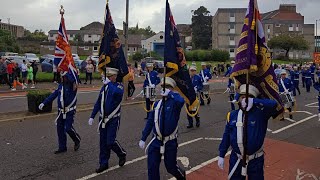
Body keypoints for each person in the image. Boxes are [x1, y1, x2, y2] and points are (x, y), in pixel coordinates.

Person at [218, 84, 277, 180]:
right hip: (236, 158)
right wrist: (221, 154)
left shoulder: (261, 113)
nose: (245, 100)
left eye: (249, 98)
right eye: (243, 97)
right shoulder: (232, 115)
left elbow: (274, 104)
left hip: (255, 160)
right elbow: (227, 136)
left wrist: (254, 101)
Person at [139, 77, 186, 180]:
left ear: (171, 89)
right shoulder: (157, 104)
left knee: (171, 167)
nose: (164, 89)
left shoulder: (175, 102)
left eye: (167, 87)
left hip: (170, 142)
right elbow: (150, 122)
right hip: (156, 140)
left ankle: (181, 176)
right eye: (163, 87)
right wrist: (143, 137)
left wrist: (170, 94)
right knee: (152, 167)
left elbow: (181, 101)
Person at [88, 67, 127, 173]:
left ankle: (121, 153)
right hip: (103, 119)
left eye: (110, 76)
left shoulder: (119, 86)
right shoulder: (105, 87)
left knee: (110, 142)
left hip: (113, 119)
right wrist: (92, 116)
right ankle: (103, 163)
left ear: (114, 76)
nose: (109, 78)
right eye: (108, 76)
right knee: (103, 143)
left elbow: (116, 94)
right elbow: (98, 102)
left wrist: (108, 84)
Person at [38, 70, 81, 154]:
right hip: (61, 111)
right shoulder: (61, 86)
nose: (61, 77)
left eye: (63, 76)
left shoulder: (73, 85)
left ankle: (77, 140)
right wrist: (44, 102)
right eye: (61, 76)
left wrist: (68, 71)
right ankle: (62, 147)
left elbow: (74, 78)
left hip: (70, 111)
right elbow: (54, 95)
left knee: (68, 128)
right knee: (60, 129)